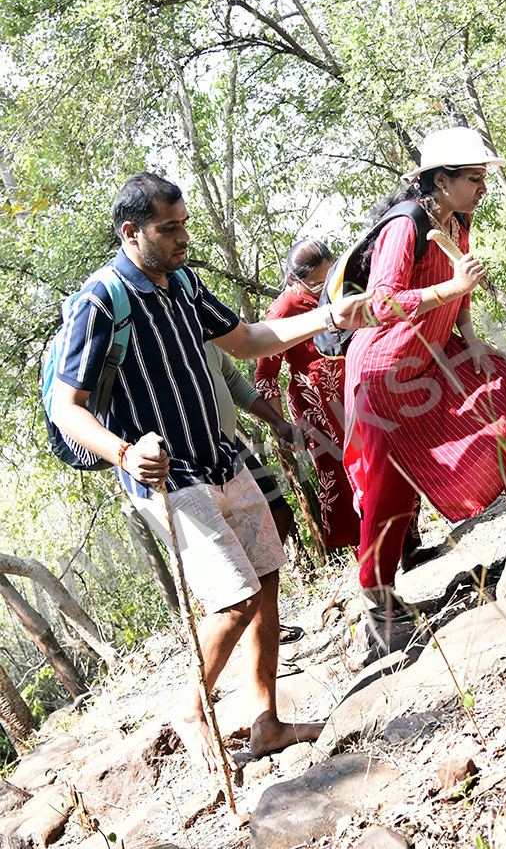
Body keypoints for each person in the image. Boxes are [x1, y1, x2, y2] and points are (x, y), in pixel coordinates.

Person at [50, 172, 371, 771]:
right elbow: (64, 408)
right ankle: (192, 708)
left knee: (268, 578)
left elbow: (248, 341)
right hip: (166, 478)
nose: (183, 238)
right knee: (234, 597)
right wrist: (123, 452)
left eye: (184, 224)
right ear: (131, 232)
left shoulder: (186, 284)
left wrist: (331, 314)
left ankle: (266, 723)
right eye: (169, 229)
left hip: (220, 456)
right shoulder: (98, 303)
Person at [342, 126, 506, 600]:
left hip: (435, 351)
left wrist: (472, 339)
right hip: (385, 370)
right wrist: (450, 290)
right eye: (474, 178)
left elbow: (462, 284)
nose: (482, 188)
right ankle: (377, 594)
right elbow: (380, 303)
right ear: (440, 180)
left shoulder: (458, 219)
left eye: (482, 178)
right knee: (389, 488)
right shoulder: (403, 227)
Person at [255, 240, 361, 548]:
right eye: (316, 285)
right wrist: (280, 426)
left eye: (328, 280)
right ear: (294, 280)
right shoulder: (282, 310)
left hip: (354, 390)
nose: (324, 289)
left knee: (382, 462)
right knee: (343, 477)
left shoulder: (341, 287)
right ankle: (371, 561)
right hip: (317, 408)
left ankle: (406, 546)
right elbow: (266, 374)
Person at [204, 342, 303, 643]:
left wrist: (278, 422)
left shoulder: (198, 324)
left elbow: (232, 380)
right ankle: (250, 627)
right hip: (192, 463)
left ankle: (262, 625)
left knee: (279, 514)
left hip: (231, 447)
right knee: (229, 552)